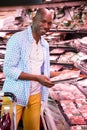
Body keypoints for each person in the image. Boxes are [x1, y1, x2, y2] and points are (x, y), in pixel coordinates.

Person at [3, 8, 60, 130]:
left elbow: (40, 71)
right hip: (15, 95)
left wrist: (62, 75)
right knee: (8, 127)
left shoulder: (44, 44)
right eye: (43, 21)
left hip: (35, 95)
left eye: (49, 23)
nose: (46, 26)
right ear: (34, 19)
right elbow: (8, 70)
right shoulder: (17, 39)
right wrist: (36, 78)